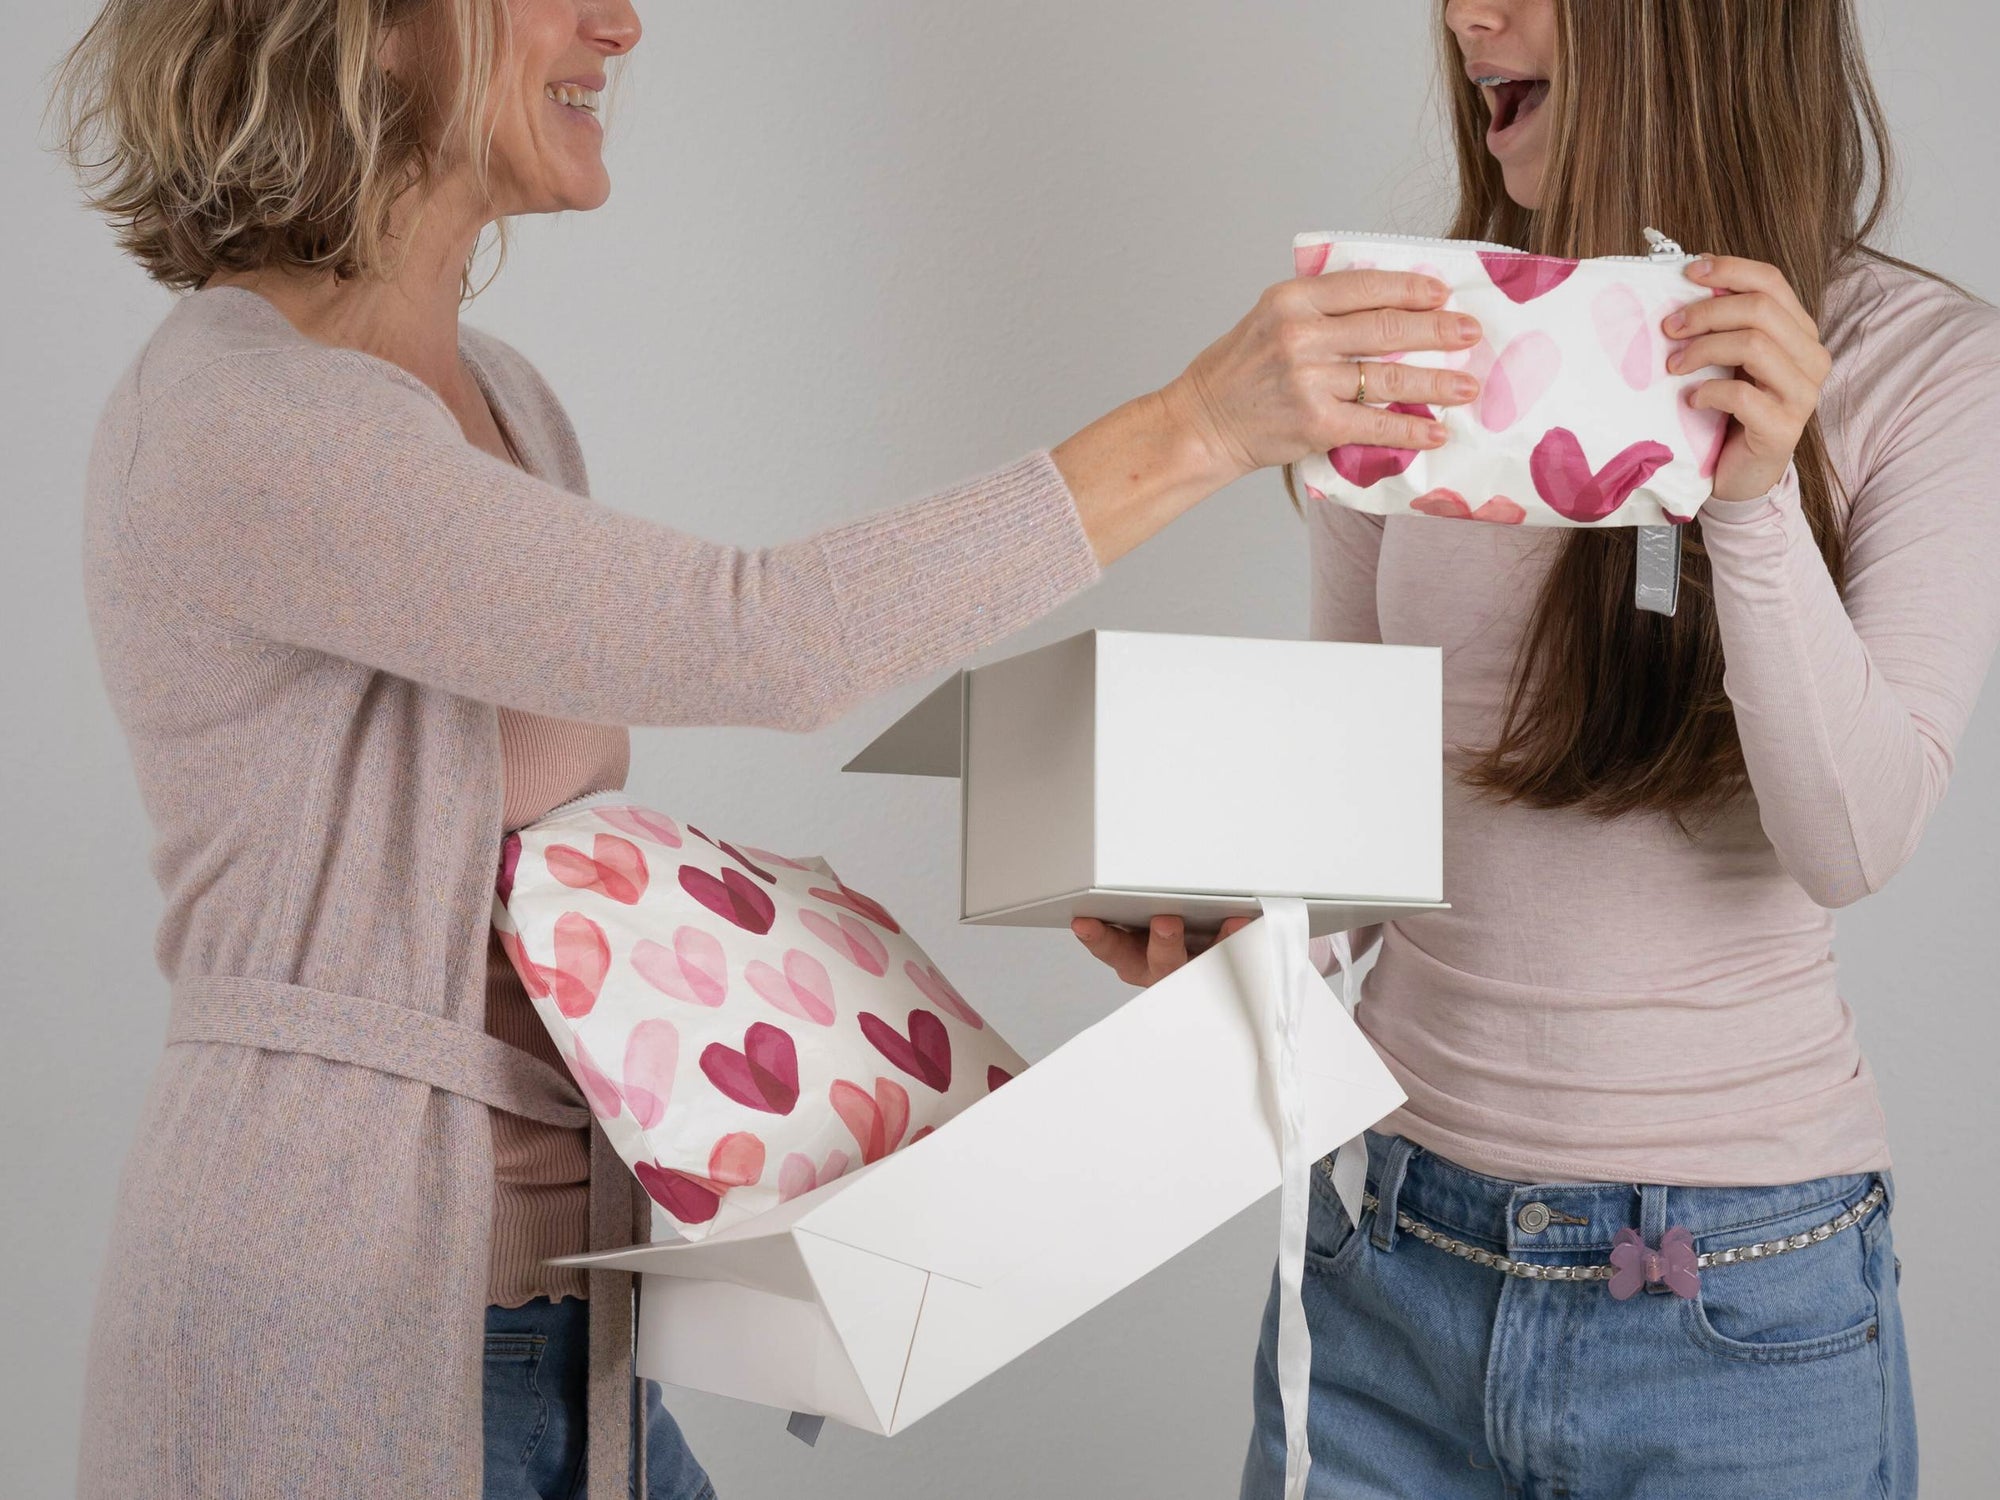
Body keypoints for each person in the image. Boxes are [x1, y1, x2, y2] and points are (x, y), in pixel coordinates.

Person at [53, 1, 1491, 1497]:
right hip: (327, 1330)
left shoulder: (504, 400)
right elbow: (761, 640)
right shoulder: (246, 418)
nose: (622, 20)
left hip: (560, 1334)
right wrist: (1196, 425)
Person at [1075, 2, 2000, 1496]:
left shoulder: (1922, 366)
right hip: (1385, 1264)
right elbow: (1361, 830)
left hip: (1729, 1310)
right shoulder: (1419, 338)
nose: (1462, 16)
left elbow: (1857, 836)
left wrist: (1753, 502)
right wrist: (1245, 937)